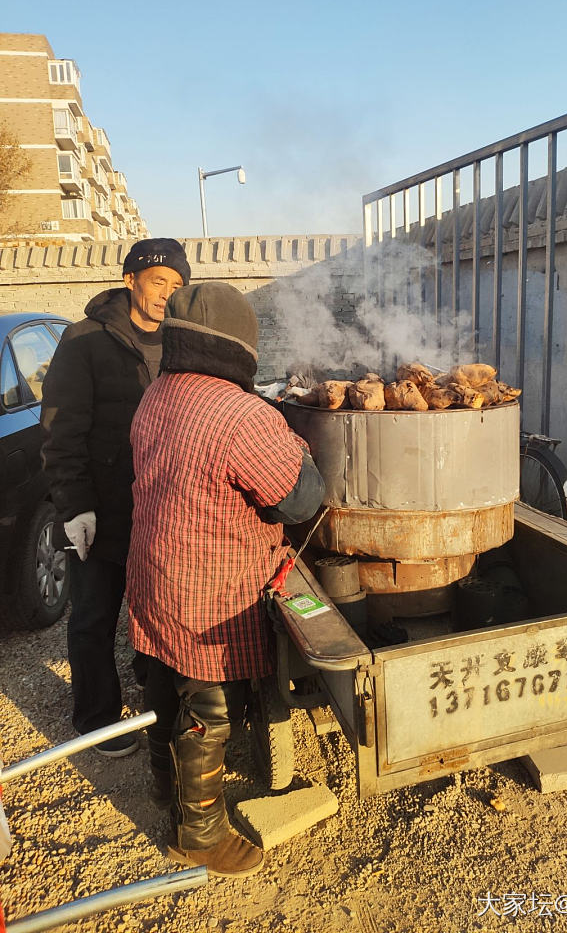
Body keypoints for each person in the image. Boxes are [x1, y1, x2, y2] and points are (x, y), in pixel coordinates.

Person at [126, 281, 325, 878]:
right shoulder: (242, 415)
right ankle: (200, 835)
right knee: (206, 708)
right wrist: (303, 451)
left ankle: (168, 790)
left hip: (155, 572)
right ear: (242, 347)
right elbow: (299, 498)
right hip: (208, 588)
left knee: (163, 682)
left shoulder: (157, 392)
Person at [40, 238, 191, 757]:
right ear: (130, 280)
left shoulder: (180, 341)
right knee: (93, 616)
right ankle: (97, 718)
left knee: (156, 610)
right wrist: (74, 506)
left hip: (160, 508)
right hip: (100, 507)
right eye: (157, 282)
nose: (164, 295)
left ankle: (155, 696)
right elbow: (62, 429)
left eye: (175, 286)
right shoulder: (85, 341)